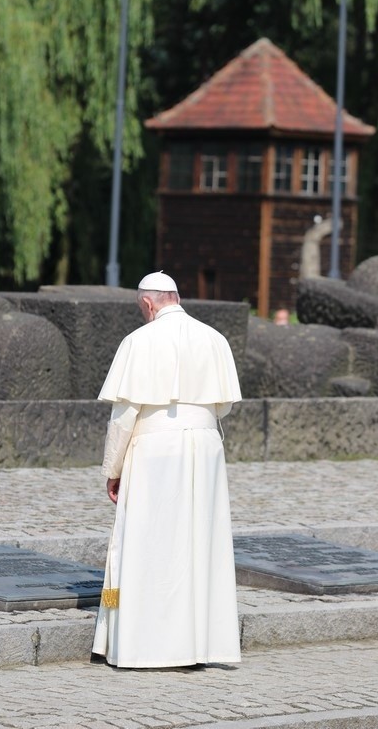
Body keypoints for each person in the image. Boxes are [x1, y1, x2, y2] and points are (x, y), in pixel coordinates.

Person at [91, 270, 242, 669]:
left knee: (136, 543)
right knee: (199, 542)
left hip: (154, 447)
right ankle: (199, 645)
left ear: (147, 302)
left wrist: (114, 468)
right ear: (175, 296)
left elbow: (124, 416)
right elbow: (223, 405)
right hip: (206, 446)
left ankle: (130, 641)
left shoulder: (138, 341)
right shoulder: (214, 338)